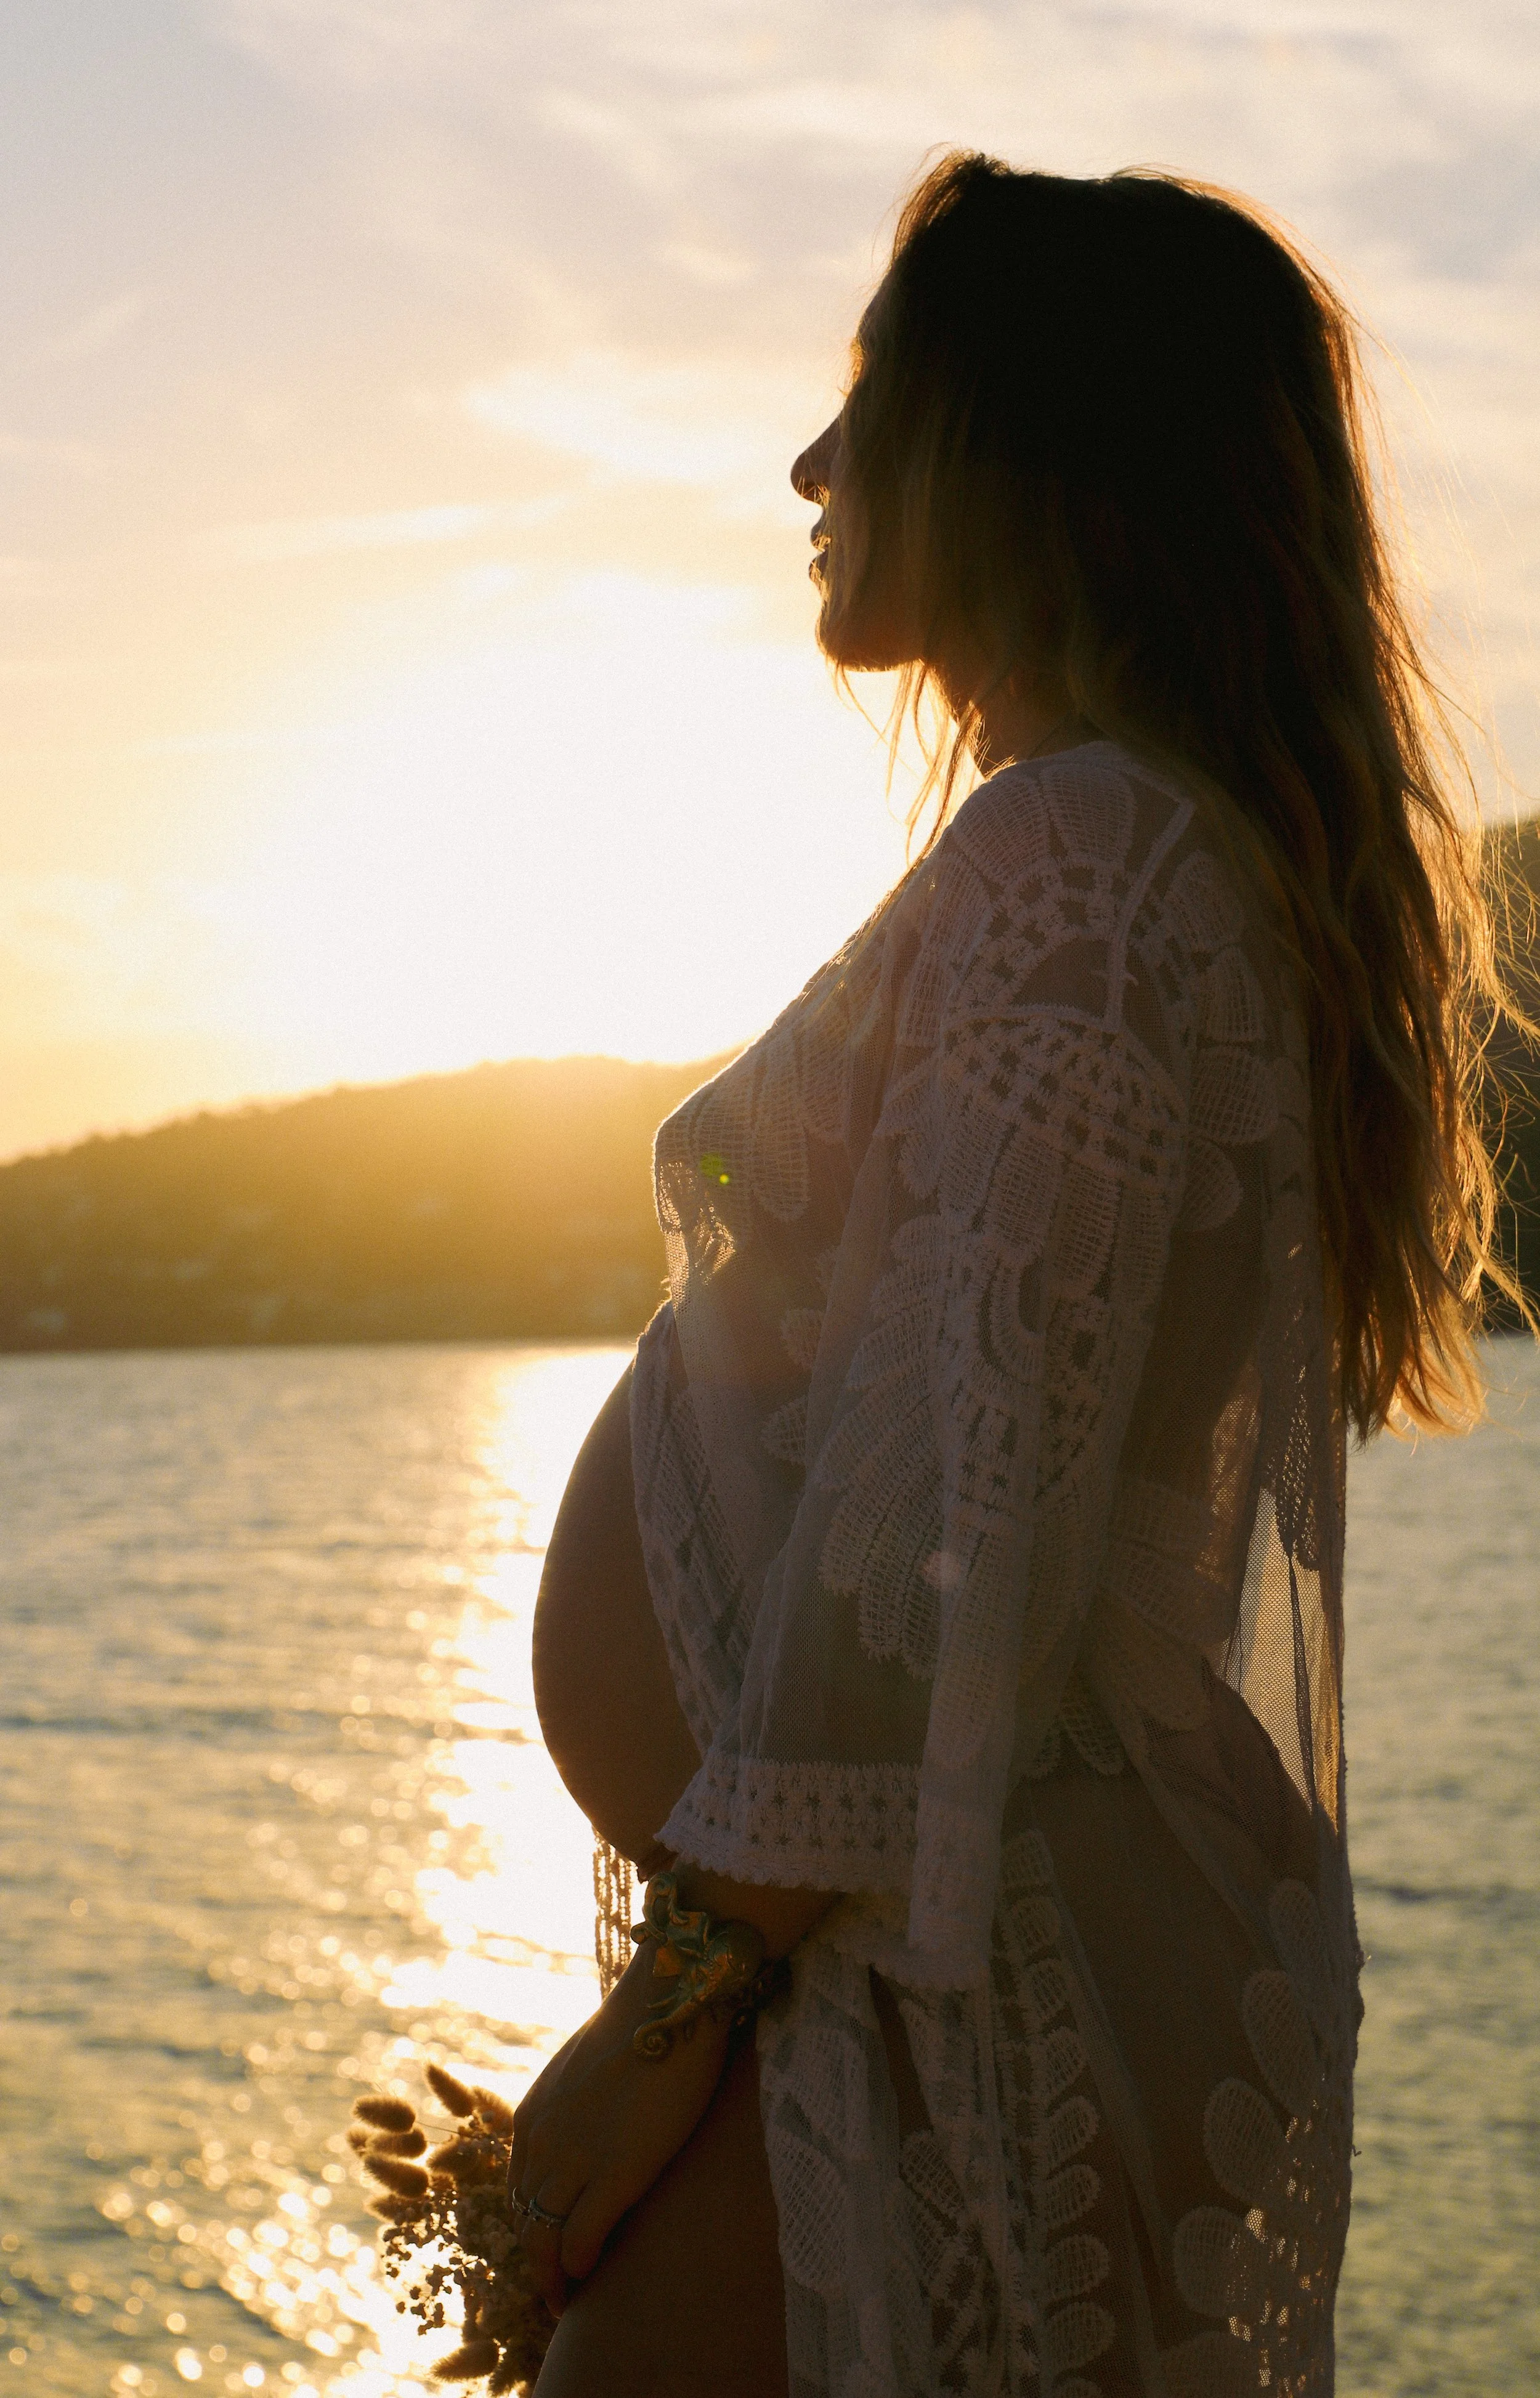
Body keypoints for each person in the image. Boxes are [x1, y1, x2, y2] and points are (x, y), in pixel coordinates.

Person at [510, 153, 1517, 2397]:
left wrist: (662, 2028)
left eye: (866, 400)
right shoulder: (1142, 853)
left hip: (925, 1986)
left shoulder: (1084, 860)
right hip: (894, 1962)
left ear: (1031, 437)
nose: (809, 465)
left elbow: (934, 1537)